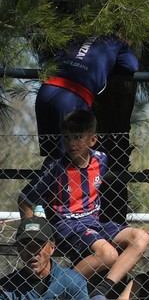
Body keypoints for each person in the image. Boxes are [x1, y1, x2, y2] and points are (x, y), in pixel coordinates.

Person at [21, 109, 149, 300]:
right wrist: (33, 231)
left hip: (93, 222)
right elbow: (25, 198)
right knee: (108, 254)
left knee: (140, 238)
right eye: (67, 138)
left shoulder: (101, 160)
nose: (72, 143)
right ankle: (57, 288)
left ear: (92, 140)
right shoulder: (55, 166)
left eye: (78, 137)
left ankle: (101, 291)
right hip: (66, 224)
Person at [34, 33, 139, 225]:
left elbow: (56, 57)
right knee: (68, 158)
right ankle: (60, 214)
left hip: (46, 91)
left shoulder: (78, 35)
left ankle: (40, 207)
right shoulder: (118, 42)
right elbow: (131, 66)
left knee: (53, 156)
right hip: (73, 95)